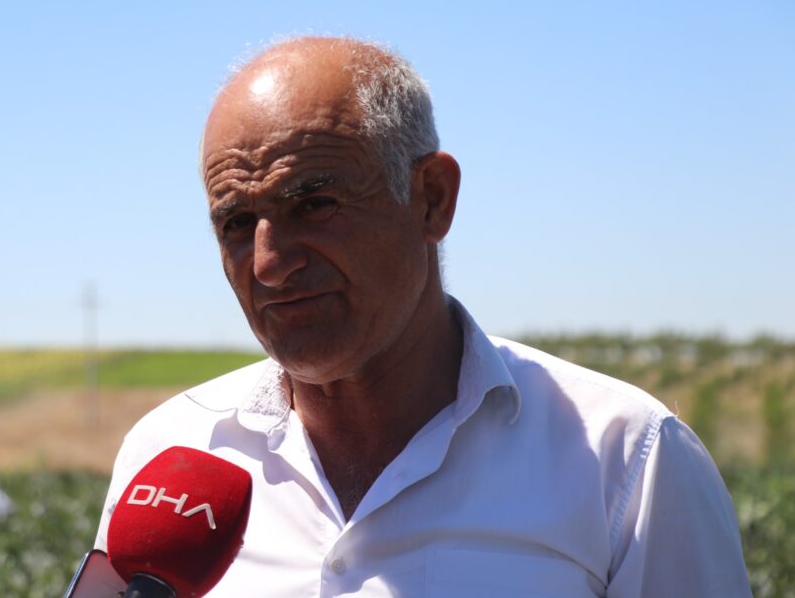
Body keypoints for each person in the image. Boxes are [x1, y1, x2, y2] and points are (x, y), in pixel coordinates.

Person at [95, 37, 750, 597]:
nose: (269, 264)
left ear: (433, 199)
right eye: (237, 223)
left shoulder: (629, 461)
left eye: (314, 205)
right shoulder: (168, 458)